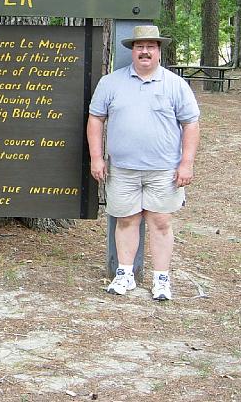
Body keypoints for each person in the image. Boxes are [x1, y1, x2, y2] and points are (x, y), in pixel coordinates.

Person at [86, 25, 200, 301]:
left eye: (151, 46)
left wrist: (186, 163)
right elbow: (95, 119)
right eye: (140, 47)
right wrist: (97, 158)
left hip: (163, 171)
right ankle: (124, 274)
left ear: (159, 51)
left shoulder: (175, 85)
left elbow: (191, 124)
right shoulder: (111, 83)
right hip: (123, 169)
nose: (145, 51)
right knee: (125, 220)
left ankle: (161, 279)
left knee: (160, 221)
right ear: (133, 51)